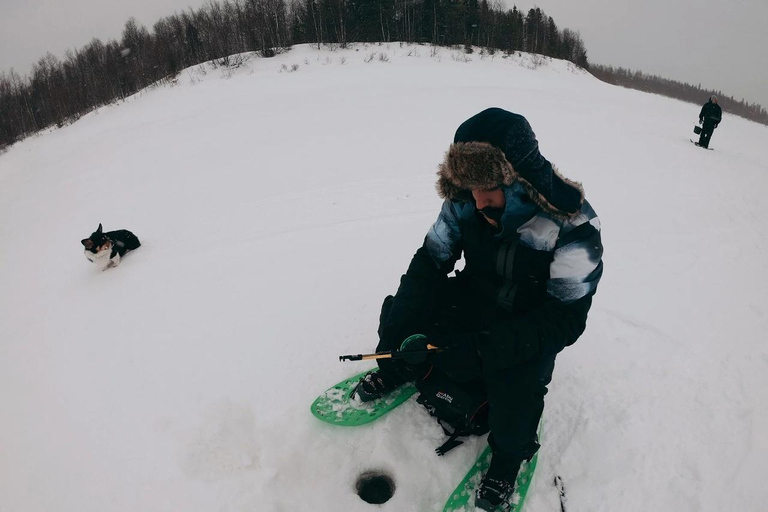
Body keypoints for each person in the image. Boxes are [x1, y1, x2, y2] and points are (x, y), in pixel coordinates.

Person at [354, 108, 603, 511]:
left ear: (519, 180)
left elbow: (567, 318)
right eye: (470, 188)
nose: (477, 200)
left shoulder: (573, 225)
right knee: (409, 314)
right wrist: (399, 327)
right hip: (474, 299)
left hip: (528, 323)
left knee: (516, 385)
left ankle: (508, 458)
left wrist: (491, 347)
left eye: (488, 188)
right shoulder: (466, 200)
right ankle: (396, 366)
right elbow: (430, 262)